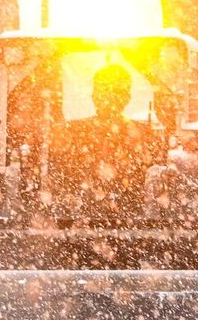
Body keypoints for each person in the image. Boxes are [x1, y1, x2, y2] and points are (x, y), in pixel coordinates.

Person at [51, 62, 157, 219]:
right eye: (103, 91)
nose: (108, 98)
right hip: (91, 216)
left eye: (115, 92)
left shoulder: (138, 136)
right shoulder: (75, 132)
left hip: (120, 217)